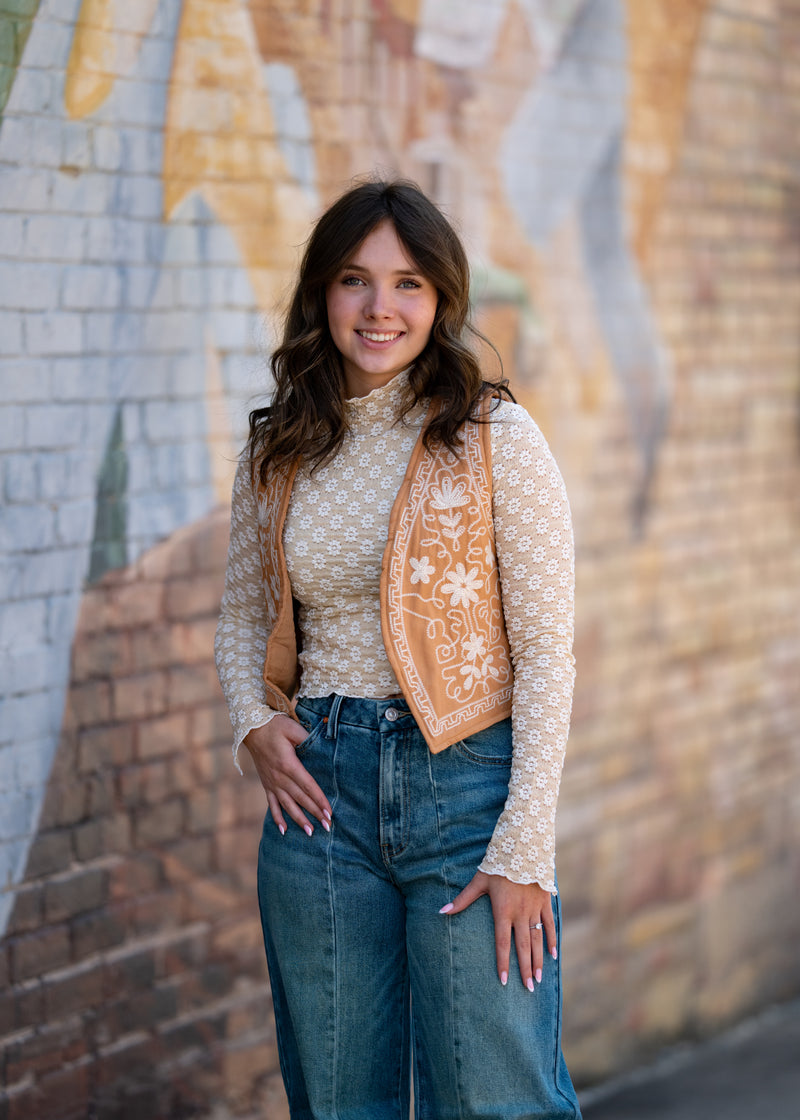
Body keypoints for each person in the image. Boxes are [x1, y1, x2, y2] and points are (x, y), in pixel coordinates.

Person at [214, 179, 582, 1120]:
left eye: (408, 283)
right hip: (319, 806)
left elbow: (547, 653)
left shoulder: (495, 435)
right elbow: (241, 618)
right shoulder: (281, 448)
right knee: (338, 1102)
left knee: (495, 1097)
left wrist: (525, 847)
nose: (381, 308)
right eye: (355, 280)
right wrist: (251, 726)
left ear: (442, 298)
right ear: (322, 295)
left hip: (467, 792)